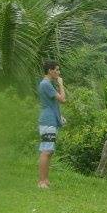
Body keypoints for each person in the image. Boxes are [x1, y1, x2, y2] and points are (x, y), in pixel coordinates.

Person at [37, 60, 67, 188]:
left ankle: (45, 179)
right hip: (47, 121)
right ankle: (41, 181)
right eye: (57, 70)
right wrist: (61, 84)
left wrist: (59, 116)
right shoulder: (46, 84)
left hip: (51, 120)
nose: (59, 73)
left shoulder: (47, 84)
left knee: (49, 151)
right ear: (50, 71)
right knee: (46, 150)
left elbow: (52, 103)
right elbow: (63, 99)